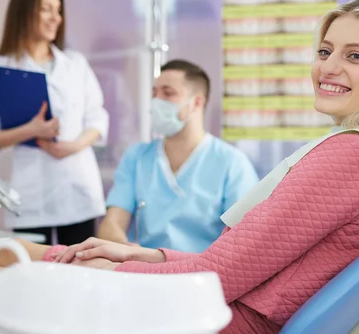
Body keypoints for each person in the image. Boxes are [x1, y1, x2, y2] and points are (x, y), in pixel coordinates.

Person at [0, 0, 359, 334]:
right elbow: (237, 266)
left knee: (7, 265)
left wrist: (69, 262)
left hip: (218, 326)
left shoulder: (353, 158)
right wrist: (144, 254)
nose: (328, 67)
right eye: (325, 50)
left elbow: (219, 279)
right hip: (224, 312)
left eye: (356, 56)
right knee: (34, 262)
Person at [0, 0, 109, 246]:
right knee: (32, 273)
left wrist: (74, 145)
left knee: (80, 270)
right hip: (31, 195)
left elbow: (98, 118)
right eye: (46, 9)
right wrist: (30, 131)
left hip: (77, 189)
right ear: (25, 10)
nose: (55, 18)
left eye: (58, 10)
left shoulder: (75, 65)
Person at [96, 59, 259, 252]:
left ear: (196, 102)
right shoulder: (137, 157)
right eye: (154, 93)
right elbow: (112, 224)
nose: (157, 102)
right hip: (142, 269)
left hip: (203, 274)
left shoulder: (231, 163)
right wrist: (130, 252)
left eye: (167, 93)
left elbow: (244, 239)